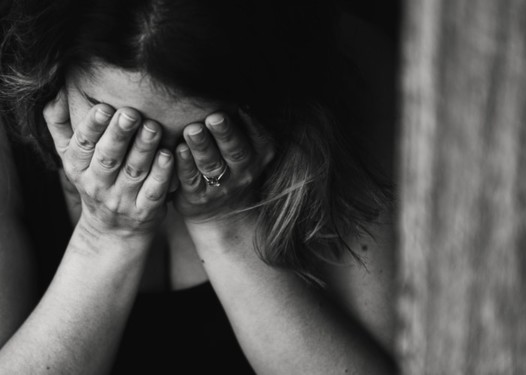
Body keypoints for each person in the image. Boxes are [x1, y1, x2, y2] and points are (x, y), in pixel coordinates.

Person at [0, 0, 396, 373]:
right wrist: (104, 236)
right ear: (52, 69)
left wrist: (226, 225)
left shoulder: (349, 73)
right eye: (116, 124)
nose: (156, 165)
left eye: (200, 135)